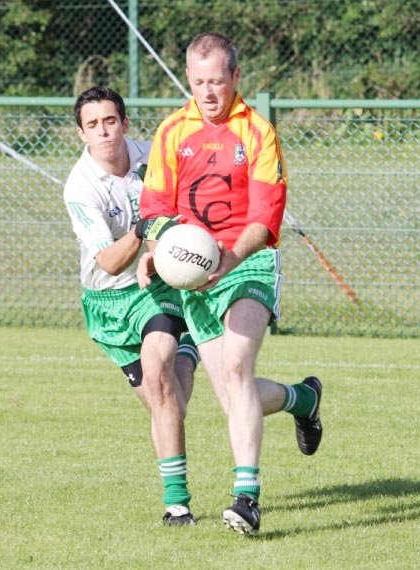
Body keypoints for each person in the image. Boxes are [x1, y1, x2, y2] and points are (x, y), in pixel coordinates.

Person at [137, 32, 323, 536]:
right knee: (232, 395)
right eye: (198, 82)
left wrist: (230, 256)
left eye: (217, 81)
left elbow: (266, 215)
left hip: (248, 264)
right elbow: (153, 207)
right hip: (196, 276)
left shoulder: (258, 132)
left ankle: (247, 499)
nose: (208, 92)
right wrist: (162, 249)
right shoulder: (172, 132)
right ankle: (301, 400)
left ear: (235, 78)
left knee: (238, 367)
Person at [63, 85, 200, 527]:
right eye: (93, 125)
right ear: (81, 133)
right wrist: (143, 228)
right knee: (168, 400)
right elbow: (108, 260)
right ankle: (297, 398)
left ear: (124, 123)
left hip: (155, 289)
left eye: (110, 121)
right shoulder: (80, 188)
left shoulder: (154, 157)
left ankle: (176, 505)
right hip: (107, 301)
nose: (104, 132)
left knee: (160, 383)